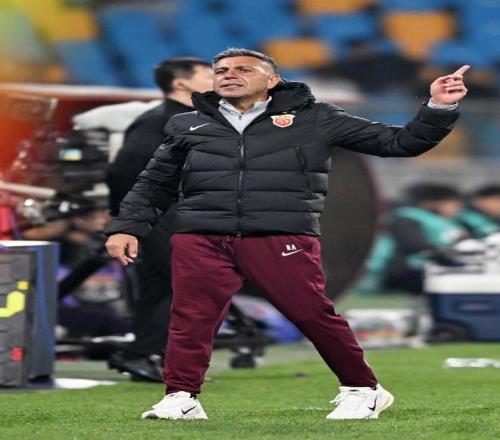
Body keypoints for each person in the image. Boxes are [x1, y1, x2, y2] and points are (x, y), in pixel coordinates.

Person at [104, 48, 469, 420]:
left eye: (244, 69)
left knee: (311, 313)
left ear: (272, 80)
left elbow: (400, 142)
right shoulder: (188, 123)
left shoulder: (316, 118)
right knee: (190, 319)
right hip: (202, 235)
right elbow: (155, 182)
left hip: (279, 234)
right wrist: (127, 226)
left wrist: (438, 108)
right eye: (222, 70)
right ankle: (181, 396)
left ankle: (364, 389)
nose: (229, 74)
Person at [106, 58, 213, 381]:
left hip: (172, 213)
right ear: (181, 83)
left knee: (161, 284)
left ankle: (144, 355)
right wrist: (129, 221)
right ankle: (148, 353)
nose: (217, 80)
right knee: (193, 280)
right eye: (208, 75)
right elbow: (123, 172)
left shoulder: (191, 118)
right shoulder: (160, 121)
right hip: (160, 215)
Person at [382, 184, 469, 294]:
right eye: (453, 204)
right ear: (431, 203)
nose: (458, 209)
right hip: (410, 270)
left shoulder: (450, 222)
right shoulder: (407, 218)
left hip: (436, 269)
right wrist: (443, 254)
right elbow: (414, 245)